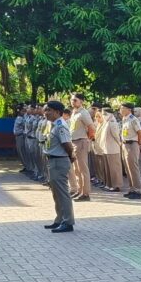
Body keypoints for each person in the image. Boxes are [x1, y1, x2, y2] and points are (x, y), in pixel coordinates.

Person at [42, 101, 76, 233]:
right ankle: (59, 219)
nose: (46, 113)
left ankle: (68, 222)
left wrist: (71, 156)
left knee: (62, 192)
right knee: (56, 193)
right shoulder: (54, 125)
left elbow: (67, 144)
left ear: (57, 112)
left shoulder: (61, 125)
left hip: (59, 161)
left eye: (49, 110)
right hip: (53, 160)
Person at [69, 93, 96, 202]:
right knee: (76, 169)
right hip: (74, 142)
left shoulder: (83, 113)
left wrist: (88, 138)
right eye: (71, 100)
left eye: (75, 100)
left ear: (81, 102)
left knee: (83, 168)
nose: (72, 102)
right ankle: (79, 191)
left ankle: (86, 193)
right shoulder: (74, 113)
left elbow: (91, 128)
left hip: (81, 141)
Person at [120, 102, 141, 199]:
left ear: (129, 109)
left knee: (133, 168)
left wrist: (139, 144)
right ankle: (132, 189)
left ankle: (138, 190)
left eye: (122, 108)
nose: (120, 110)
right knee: (127, 168)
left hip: (132, 144)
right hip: (125, 144)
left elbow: (140, 133)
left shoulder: (133, 120)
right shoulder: (124, 119)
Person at [100, 108, 123, 192]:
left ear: (110, 114)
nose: (103, 116)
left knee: (114, 168)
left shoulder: (112, 123)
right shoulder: (106, 123)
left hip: (113, 149)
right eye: (103, 114)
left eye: (105, 114)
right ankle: (109, 184)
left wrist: (120, 145)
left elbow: (116, 136)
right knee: (108, 168)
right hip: (106, 149)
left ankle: (116, 185)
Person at [13, 106, 27, 173]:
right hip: (18, 136)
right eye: (22, 111)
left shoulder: (24, 119)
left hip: (21, 136)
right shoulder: (19, 118)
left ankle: (27, 167)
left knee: (22, 152)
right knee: (20, 152)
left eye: (24, 111)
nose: (23, 112)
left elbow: (25, 128)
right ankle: (25, 166)